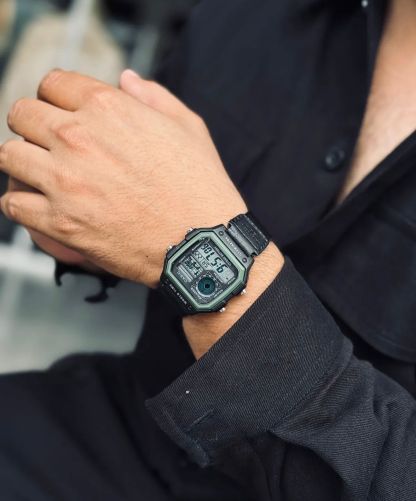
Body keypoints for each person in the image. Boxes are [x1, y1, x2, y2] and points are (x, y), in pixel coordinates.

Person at [0, 0, 416, 499]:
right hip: (125, 433)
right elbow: (144, 206)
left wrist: (211, 255)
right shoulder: (250, 15)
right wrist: (87, 219)